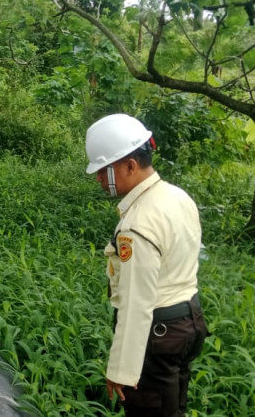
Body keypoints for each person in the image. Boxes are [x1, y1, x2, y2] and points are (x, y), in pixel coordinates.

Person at [85, 114, 209, 416]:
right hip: (189, 321)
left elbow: (138, 303)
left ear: (130, 165)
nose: (99, 178)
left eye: (104, 170)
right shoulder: (176, 196)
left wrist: (122, 370)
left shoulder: (137, 225)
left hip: (158, 335)